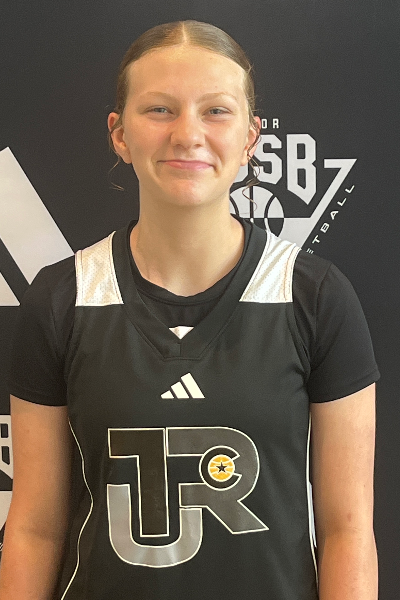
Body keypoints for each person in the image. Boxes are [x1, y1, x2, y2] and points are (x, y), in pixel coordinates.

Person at [0, 20, 379, 600]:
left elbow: (347, 531)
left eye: (216, 111)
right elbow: (33, 529)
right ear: (119, 133)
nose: (188, 134)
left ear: (251, 137)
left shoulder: (316, 297)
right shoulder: (62, 299)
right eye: (159, 110)